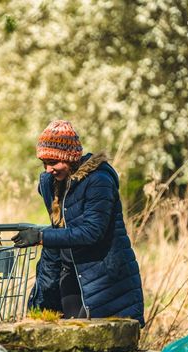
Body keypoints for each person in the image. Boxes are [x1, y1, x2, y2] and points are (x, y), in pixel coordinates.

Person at [12, 120, 144, 325]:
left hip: (103, 277)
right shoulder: (49, 183)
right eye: (44, 163)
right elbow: (60, 222)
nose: (48, 169)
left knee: (96, 337)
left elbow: (92, 231)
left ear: (71, 158)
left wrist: (41, 237)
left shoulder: (99, 181)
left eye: (54, 162)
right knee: (69, 333)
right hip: (69, 272)